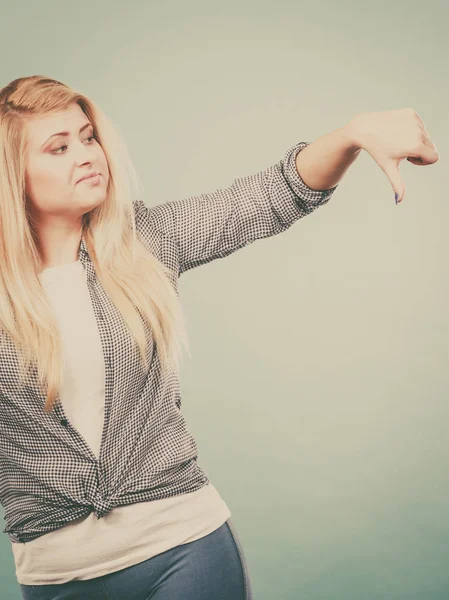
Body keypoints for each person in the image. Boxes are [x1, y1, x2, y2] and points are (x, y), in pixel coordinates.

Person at [0, 75, 438, 600]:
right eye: (60, 147)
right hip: (55, 577)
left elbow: (271, 195)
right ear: (14, 174)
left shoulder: (148, 245)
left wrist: (352, 135)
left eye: (89, 137)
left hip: (185, 552)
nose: (88, 155)